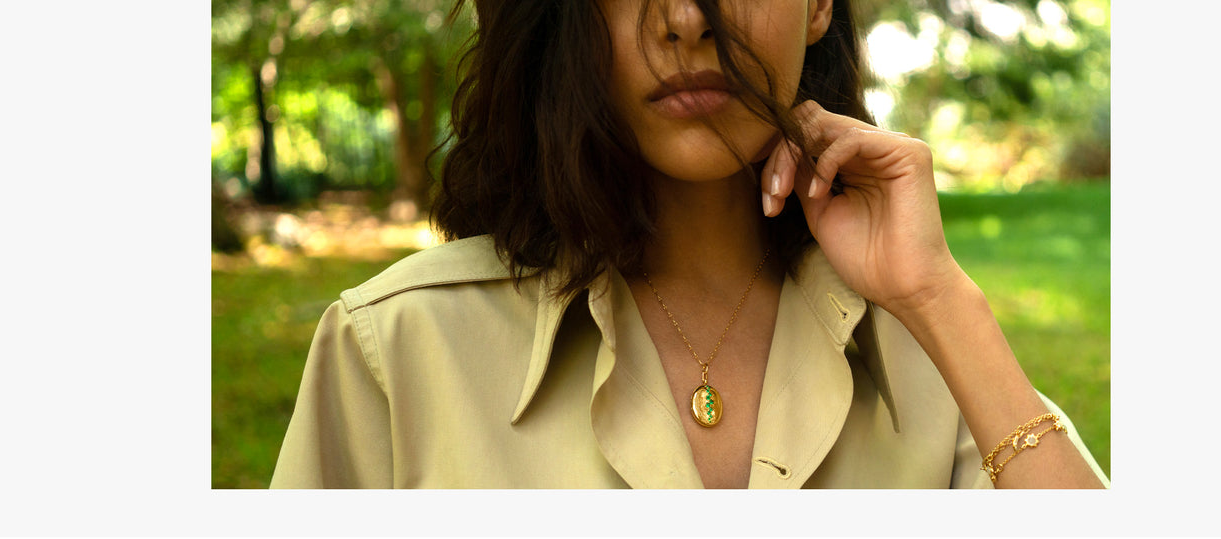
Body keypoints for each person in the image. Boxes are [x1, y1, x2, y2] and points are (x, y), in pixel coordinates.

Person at [268, 0, 1109, 489]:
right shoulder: (394, 352)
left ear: (820, 3)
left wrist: (938, 297)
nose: (684, 20)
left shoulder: (929, 353)